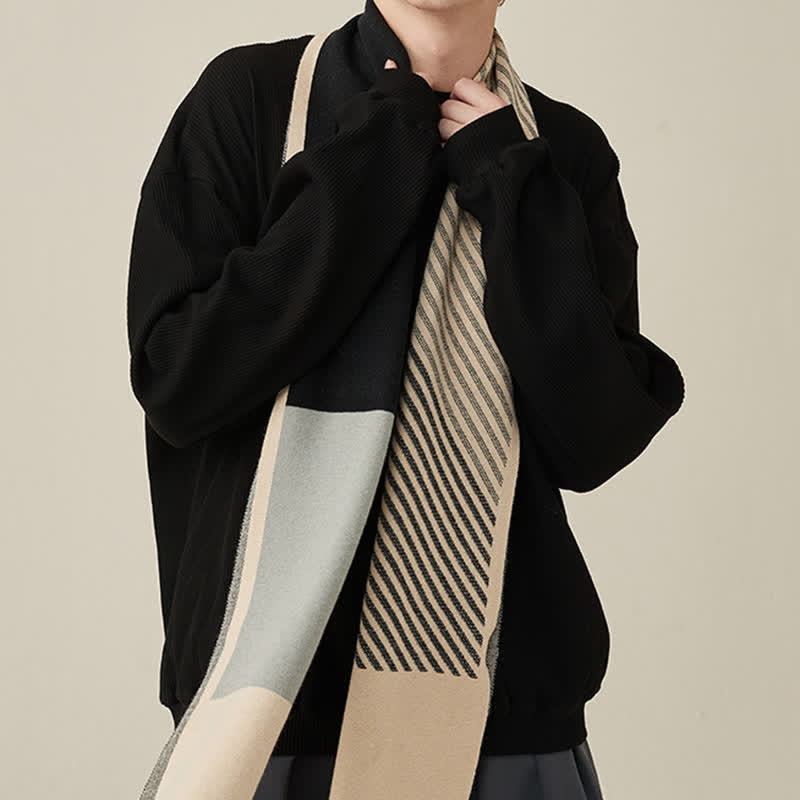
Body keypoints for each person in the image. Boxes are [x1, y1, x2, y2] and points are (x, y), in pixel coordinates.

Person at [126, 1, 685, 797]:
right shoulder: (253, 99)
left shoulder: (557, 152)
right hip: (268, 713)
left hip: (503, 721)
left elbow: (591, 440)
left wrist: (514, 196)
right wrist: (378, 156)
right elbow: (182, 380)